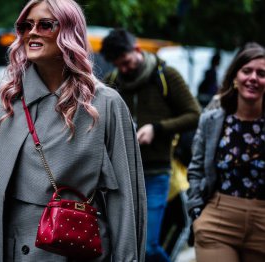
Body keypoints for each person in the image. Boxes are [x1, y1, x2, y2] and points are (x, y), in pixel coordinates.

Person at [0, 0, 147, 261]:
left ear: (70, 32)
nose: (32, 32)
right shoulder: (4, 105)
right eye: (26, 25)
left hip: (79, 250)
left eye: (45, 25)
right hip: (15, 250)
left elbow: (126, 196)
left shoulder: (105, 104)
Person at [100, 28, 200, 262]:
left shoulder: (166, 76)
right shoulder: (113, 82)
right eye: (118, 64)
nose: (123, 69)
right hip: (121, 175)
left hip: (156, 173)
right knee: (122, 244)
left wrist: (157, 129)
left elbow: (194, 113)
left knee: (148, 245)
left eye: (126, 62)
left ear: (136, 50)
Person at [187, 44, 265, 261]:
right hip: (218, 219)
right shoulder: (213, 120)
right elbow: (196, 169)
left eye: (261, 74)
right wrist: (196, 213)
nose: (253, 78)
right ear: (235, 77)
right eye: (247, 71)